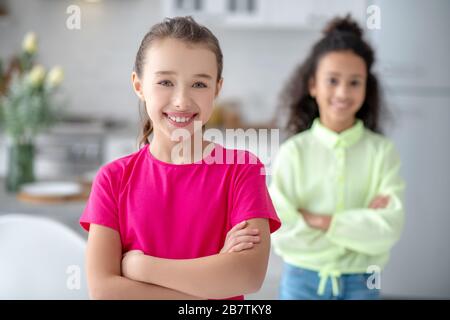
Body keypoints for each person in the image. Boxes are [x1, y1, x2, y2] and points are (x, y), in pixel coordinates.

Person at [80, 16, 281, 300]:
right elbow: (104, 292)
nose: (182, 101)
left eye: (199, 84)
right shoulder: (112, 180)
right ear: (138, 85)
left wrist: (140, 267)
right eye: (165, 82)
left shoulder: (242, 170)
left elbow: (247, 276)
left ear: (217, 89)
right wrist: (211, 287)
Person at [270, 15, 405, 300]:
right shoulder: (293, 152)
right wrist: (359, 226)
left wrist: (319, 220)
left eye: (355, 82)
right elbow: (282, 232)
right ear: (313, 86)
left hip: (363, 282)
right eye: (332, 80)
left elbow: (389, 228)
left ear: (366, 88)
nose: (343, 92)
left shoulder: (382, 152)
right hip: (301, 280)